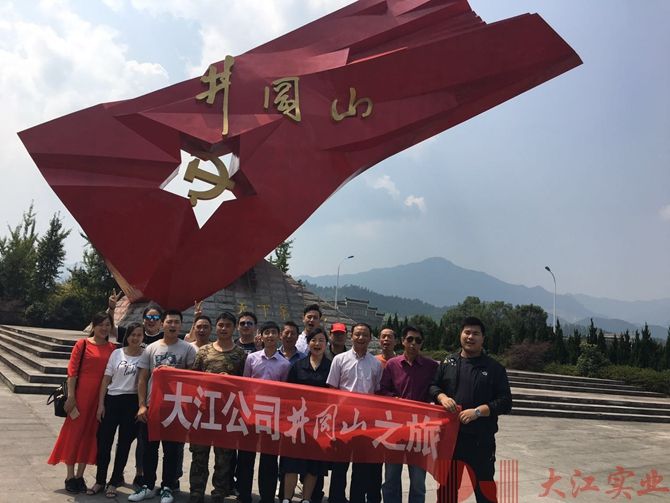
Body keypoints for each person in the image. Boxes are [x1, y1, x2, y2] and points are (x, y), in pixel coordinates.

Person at [429, 317, 512, 503]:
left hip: (480, 441)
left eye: (476, 333)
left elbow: (506, 402)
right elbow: (433, 386)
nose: (470, 337)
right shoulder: (448, 362)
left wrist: (478, 412)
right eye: (467, 332)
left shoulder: (494, 368)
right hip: (450, 440)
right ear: (460, 335)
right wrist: (442, 397)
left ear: (483, 338)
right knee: (447, 492)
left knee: (485, 493)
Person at [130, 309, 197, 503]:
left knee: (172, 450)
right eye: (169, 322)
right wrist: (142, 405)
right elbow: (142, 379)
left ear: (181, 325)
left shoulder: (188, 349)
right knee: (149, 448)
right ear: (162, 324)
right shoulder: (151, 348)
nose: (172, 325)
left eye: (176, 322)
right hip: (153, 406)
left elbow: (193, 378)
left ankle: (167, 487)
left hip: (175, 408)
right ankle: (148, 486)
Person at [48, 312, 117, 493]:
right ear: (93, 326)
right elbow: (72, 372)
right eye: (101, 324)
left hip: (100, 398)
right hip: (81, 396)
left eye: (107, 325)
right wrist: (71, 397)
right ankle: (70, 476)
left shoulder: (112, 348)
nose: (104, 328)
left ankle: (80, 475)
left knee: (90, 436)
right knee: (75, 435)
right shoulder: (83, 344)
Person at [189, 312, 247, 503]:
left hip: (227, 414)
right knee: (199, 455)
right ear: (216, 327)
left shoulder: (240, 354)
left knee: (224, 458)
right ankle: (196, 492)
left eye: (228, 325)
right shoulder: (204, 351)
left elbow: (245, 385)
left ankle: (219, 493)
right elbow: (193, 379)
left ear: (234, 328)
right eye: (221, 325)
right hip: (203, 412)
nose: (224, 328)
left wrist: (230, 380)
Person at [379, 326, 438, 503]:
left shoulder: (431, 366)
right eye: (410, 339)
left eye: (418, 340)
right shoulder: (392, 364)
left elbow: (435, 390)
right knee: (391, 477)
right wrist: (395, 399)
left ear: (422, 343)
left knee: (418, 480)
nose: (413, 344)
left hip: (420, 430)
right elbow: (382, 390)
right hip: (395, 428)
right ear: (403, 341)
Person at [327, 322, 383, 503]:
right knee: (339, 465)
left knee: (361, 468)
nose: (361, 338)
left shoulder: (376, 364)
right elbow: (332, 390)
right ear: (351, 336)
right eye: (357, 334)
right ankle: (336, 499)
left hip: (365, 423)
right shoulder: (339, 360)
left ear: (370, 338)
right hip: (343, 420)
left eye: (365, 334)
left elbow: (377, 393)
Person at [89, 322, 145, 497]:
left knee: (124, 445)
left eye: (139, 335)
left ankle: (114, 482)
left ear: (143, 337)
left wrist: (141, 405)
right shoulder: (116, 353)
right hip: (112, 400)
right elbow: (106, 379)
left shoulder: (145, 356)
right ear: (127, 336)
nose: (135, 338)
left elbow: (144, 382)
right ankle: (100, 480)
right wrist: (101, 404)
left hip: (132, 402)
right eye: (132, 334)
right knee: (104, 442)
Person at [237, 321, 291, 503]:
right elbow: (245, 384)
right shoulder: (252, 358)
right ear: (261, 335)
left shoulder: (285, 364)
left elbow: (285, 392)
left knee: (269, 458)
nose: (270, 336)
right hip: (251, 413)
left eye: (273, 332)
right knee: (246, 455)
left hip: (272, 416)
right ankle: (244, 494)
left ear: (279, 336)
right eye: (267, 332)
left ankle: (267, 497)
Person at [281, 328, 332, 503]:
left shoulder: (331, 367)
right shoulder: (297, 366)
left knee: (313, 464)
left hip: (319, 423)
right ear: (308, 343)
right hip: (297, 422)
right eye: (313, 340)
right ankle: (287, 498)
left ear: (326, 344)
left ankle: (306, 499)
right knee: (292, 462)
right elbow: (288, 393)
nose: (317, 344)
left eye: (321, 340)